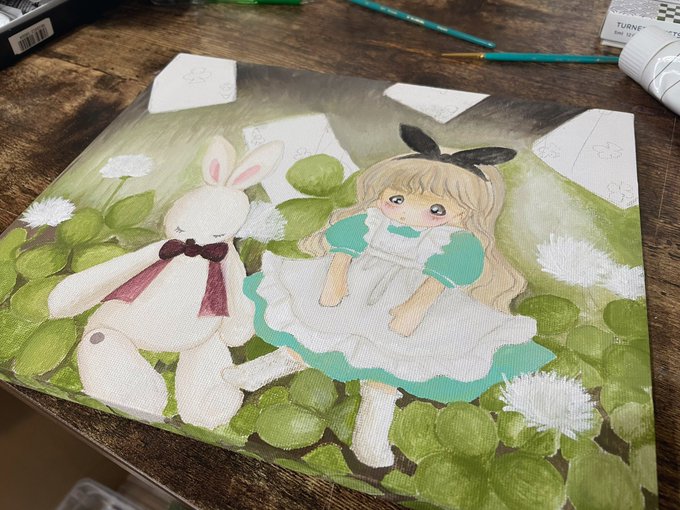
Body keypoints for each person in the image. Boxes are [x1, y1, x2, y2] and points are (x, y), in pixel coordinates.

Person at [229, 124, 553, 467]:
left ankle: (370, 435)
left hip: (408, 300)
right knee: (314, 328)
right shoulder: (371, 220)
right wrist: (335, 279)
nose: (406, 213)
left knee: (389, 364)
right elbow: (344, 244)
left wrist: (415, 307)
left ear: (463, 214)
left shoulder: (450, 241)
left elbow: (444, 275)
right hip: (357, 285)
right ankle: (262, 370)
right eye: (397, 200)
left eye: (436, 210)